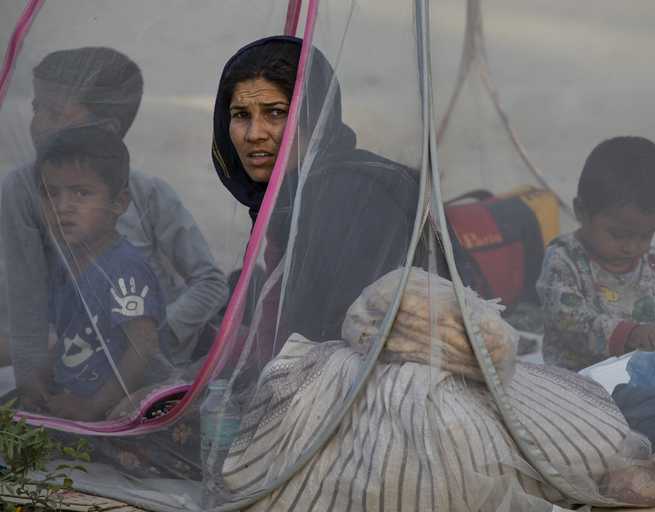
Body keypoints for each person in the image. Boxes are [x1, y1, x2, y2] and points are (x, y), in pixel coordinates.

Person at [1, 47, 228, 411]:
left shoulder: (149, 194)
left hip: (145, 363)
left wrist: (157, 336)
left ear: (105, 130)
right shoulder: (22, 190)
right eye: (35, 107)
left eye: (54, 112)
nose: (38, 123)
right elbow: (26, 302)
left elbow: (210, 281)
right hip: (79, 363)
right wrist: (32, 387)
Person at [212, 36, 423, 359]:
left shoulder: (350, 197)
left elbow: (347, 341)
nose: (255, 134)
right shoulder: (287, 197)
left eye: (276, 113)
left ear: (315, 118)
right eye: (241, 115)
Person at [536, 136, 655, 371]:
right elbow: (568, 320)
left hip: (644, 377)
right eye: (619, 235)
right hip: (579, 381)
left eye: (646, 235)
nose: (632, 247)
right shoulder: (563, 259)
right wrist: (628, 334)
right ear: (581, 211)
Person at [37, 127, 165, 421]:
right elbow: (66, 336)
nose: (62, 207)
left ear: (118, 204)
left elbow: (142, 348)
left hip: (121, 406)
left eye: (81, 193)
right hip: (73, 395)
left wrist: (93, 408)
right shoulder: (63, 263)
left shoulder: (124, 269)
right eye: (50, 193)